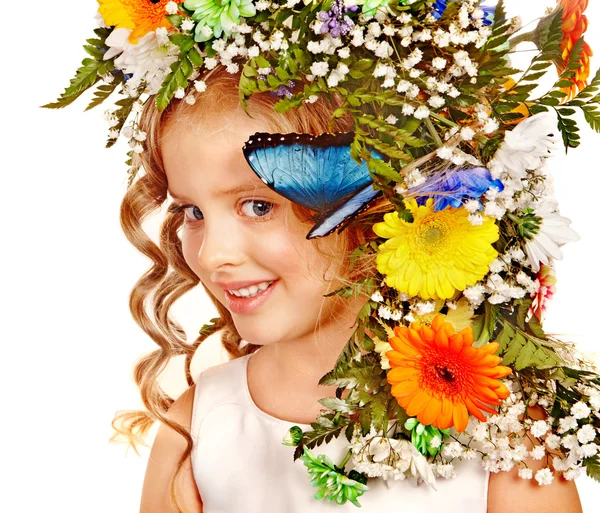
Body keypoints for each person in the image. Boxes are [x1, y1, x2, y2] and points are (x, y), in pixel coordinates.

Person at [44, 1, 600, 512]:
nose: (212, 255)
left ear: (379, 203)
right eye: (192, 212)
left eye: (258, 205)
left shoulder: (502, 442)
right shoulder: (200, 427)